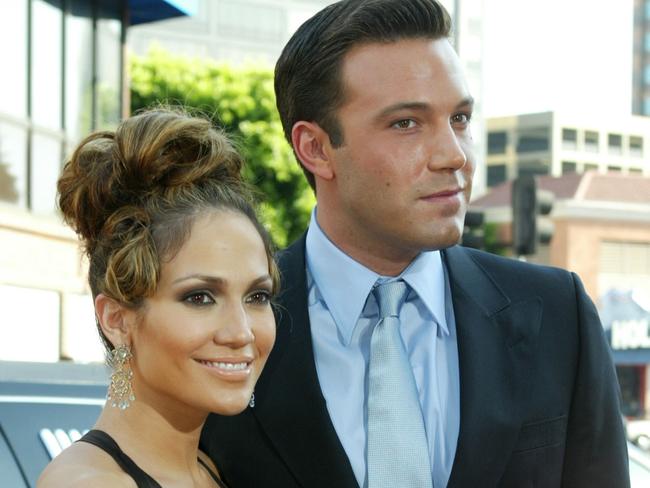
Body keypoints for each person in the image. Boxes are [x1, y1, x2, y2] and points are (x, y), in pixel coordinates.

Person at [201, 0, 630, 487]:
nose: (454, 155)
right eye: (406, 122)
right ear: (316, 148)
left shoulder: (557, 313)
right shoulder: (222, 324)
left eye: (461, 119)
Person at [37, 108, 278, 487]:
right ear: (116, 319)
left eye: (257, 296)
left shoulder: (208, 471)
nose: (241, 332)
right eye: (200, 297)